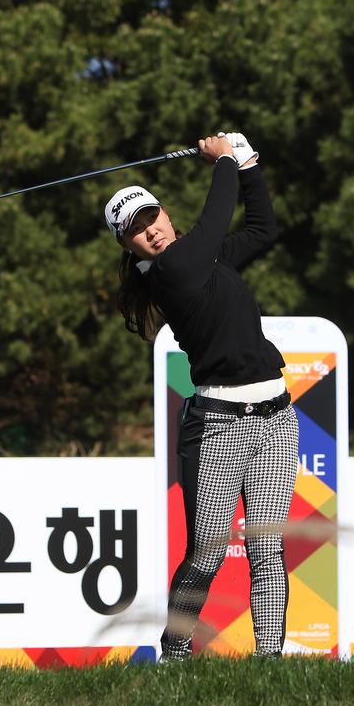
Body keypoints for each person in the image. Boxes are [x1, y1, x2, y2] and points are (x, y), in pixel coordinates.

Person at [104, 132, 298, 659]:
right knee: (207, 552)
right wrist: (225, 162)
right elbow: (216, 218)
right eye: (135, 231)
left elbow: (262, 229)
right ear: (128, 247)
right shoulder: (169, 272)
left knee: (267, 548)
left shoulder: (208, 259)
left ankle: (270, 663)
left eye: (151, 218)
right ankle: (174, 653)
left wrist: (250, 165)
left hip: (277, 417)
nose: (150, 232)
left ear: (165, 214)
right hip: (217, 425)